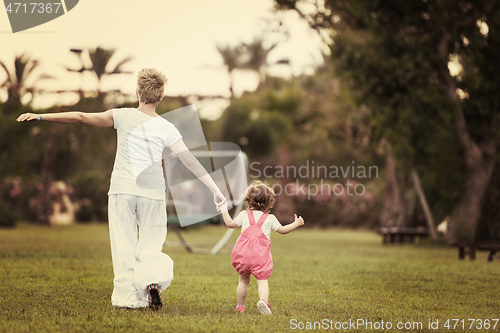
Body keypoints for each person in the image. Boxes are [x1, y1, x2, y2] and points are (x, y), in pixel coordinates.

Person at [17, 68, 226, 310]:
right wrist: (214, 189)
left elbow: (81, 117)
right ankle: (151, 283)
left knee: (123, 244)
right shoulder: (167, 127)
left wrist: (41, 116)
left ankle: (128, 298)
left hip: (122, 191)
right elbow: (189, 160)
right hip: (153, 193)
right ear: (160, 97)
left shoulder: (122, 116)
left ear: (137, 92)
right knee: (151, 246)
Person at [218, 180, 304, 315]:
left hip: (243, 254)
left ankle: (240, 307)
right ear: (269, 202)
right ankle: (264, 301)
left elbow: (229, 223)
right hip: (260, 256)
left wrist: (223, 209)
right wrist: (296, 223)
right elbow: (282, 230)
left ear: (248, 201)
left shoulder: (243, 215)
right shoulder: (270, 218)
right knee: (262, 282)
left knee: (243, 281)